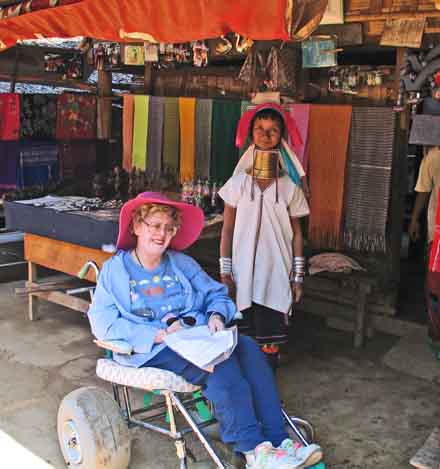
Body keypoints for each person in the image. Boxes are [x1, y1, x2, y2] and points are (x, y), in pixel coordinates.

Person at [88, 192, 323, 469]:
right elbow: (102, 322)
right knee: (221, 365)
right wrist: (156, 334)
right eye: (154, 225)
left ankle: (279, 440)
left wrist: (215, 315)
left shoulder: (180, 263)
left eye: (168, 228)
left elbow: (218, 296)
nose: (162, 234)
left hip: (196, 337)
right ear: (137, 227)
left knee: (248, 348)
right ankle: (253, 450)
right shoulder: (115, 271)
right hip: (155, 347)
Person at [218, 103, 309, 370]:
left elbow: (297, 235)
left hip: (276, 274)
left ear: (281, 137)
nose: (266, 135)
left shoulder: (290, 188)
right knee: (242, 341)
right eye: (260, 129)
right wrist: (225, 272)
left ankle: (267, 387)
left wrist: (298, 276)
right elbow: (227, 230)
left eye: (273, 130)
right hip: (241, 275)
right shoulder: (236, 184)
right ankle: (247, 388)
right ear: (250, 135)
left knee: (270, 346)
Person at [409, 146, 440, 348]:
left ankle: (436, 337)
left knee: (435, 289)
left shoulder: (434, 156)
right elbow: (423, 191)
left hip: (436, 236)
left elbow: (422, 192)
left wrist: (414, 220)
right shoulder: (434, 157)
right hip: (436, 236)